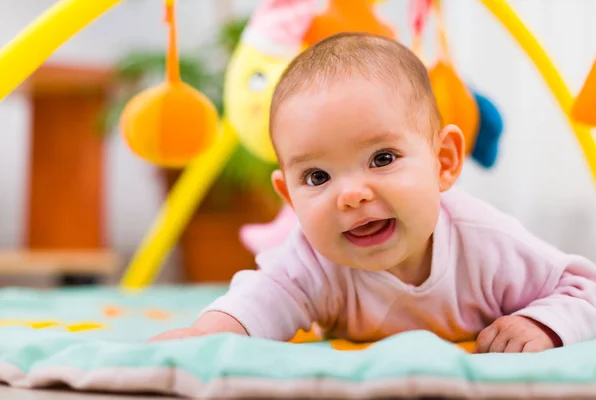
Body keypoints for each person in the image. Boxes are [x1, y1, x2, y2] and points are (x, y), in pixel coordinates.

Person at [150, 33, 596, 353]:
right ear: (289, 196)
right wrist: (208, 333)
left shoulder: (487, 243)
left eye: (382, 159)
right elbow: (262, 298)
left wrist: (542, 323)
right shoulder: (312, 258)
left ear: (444, 162)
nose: (351, 195)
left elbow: (582, 289)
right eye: (318, 177)